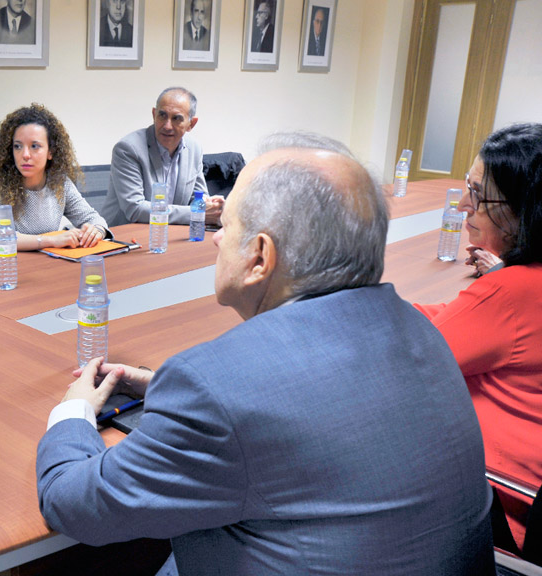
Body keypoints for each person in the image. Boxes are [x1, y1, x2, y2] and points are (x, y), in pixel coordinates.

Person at [36, 132, 494, 575]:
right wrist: (163, 388)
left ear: (259, 257)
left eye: (227, 225)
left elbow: (72, 503)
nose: (216, 239)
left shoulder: (217, 388)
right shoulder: (420, 330)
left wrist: (73, 411)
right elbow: (309, 402)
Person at [413, 123, 542, 553]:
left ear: (523, 211)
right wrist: (392, 307)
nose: (464, 205)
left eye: (478, 195)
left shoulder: (510, 293)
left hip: (499, 504)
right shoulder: (522, 285)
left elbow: (409, 359)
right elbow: (460, 319)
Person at [0, 104, 109, 252]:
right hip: (4, 263)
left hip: (45, 261)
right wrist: (51, 240)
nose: (25, 155)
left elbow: (92, 218)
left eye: (34, 146)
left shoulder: (59, 183)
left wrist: (97, 231)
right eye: (18, 146)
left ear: (50, 152)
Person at [101, 87, 224, 228]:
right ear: (154, 114)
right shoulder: (128, 148)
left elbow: (198, 197)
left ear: (191, 124)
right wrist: (197, 213)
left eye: (176, 118)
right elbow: (135, 209)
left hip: (170, 231)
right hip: (126, 233)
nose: (167, 126)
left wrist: (211, 206)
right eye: (162, 115)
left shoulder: (194, 148)